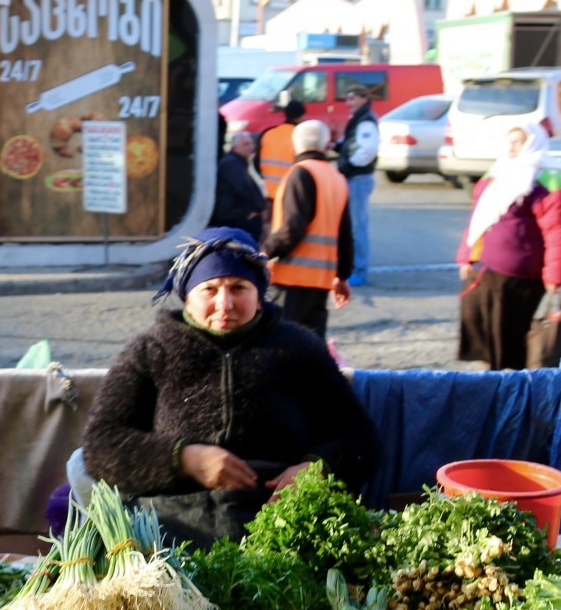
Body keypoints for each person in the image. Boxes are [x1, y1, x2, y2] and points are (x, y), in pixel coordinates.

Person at [80, 227, 381, 546]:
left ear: (259, 295)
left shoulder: (300, 348)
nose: (225, 304)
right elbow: (100, 444)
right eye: (209, 289)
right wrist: (183, 459)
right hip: (170, 525)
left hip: (284, 523)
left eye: (239, 287)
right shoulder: (151, 349)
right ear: (187, 297)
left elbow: (361, 439)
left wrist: (316, 469)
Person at [456, 123, 561, 371]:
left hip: (521, 278)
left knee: (511, 344)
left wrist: (556, 277)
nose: (512, 147)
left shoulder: (549, 178)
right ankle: (491, 387)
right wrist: (466, 257)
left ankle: (512, 396)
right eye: (509, 141)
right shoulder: (497, 173)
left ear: (533, 143)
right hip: (485, 272)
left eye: (518, 142)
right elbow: (478, 218)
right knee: (483, 337)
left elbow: (560, 233)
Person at [262, 118, 353, 337]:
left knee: (285, 346)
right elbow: (345, 233)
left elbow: (293, 227)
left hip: (292, 277)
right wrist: (342, 276)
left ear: (295, 144)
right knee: (312, 348)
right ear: (326, 145)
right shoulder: (337, 178)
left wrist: (264, 252)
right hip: (321, 280)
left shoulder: (300, 173)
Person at [335, 86, 380, 286]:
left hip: (358, 178)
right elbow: (352, 144)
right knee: (352, 225)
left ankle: (359, 270)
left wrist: (349, 164)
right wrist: (338, 147)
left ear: (364, 98)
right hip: (354, 176)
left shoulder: (365, 121)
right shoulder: (359, 119)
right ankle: (353, 267)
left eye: (352, 98)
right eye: (348, 98)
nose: (349, 102)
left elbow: (367, 150)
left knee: (357, 226)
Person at [209, 130, 267, 242]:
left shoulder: (238, 162)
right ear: (235, 147)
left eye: (251, 143)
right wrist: (259, 207)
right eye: (246, 144)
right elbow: (243, 188)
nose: (251, 147)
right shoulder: (231, 163)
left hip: (235, 212)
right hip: (232, 215)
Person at [256, 97, 305, 198]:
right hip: (289, 195)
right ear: (300, 117)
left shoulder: (268, 134)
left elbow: (257, 163)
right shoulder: (299, 136)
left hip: (268, 193)